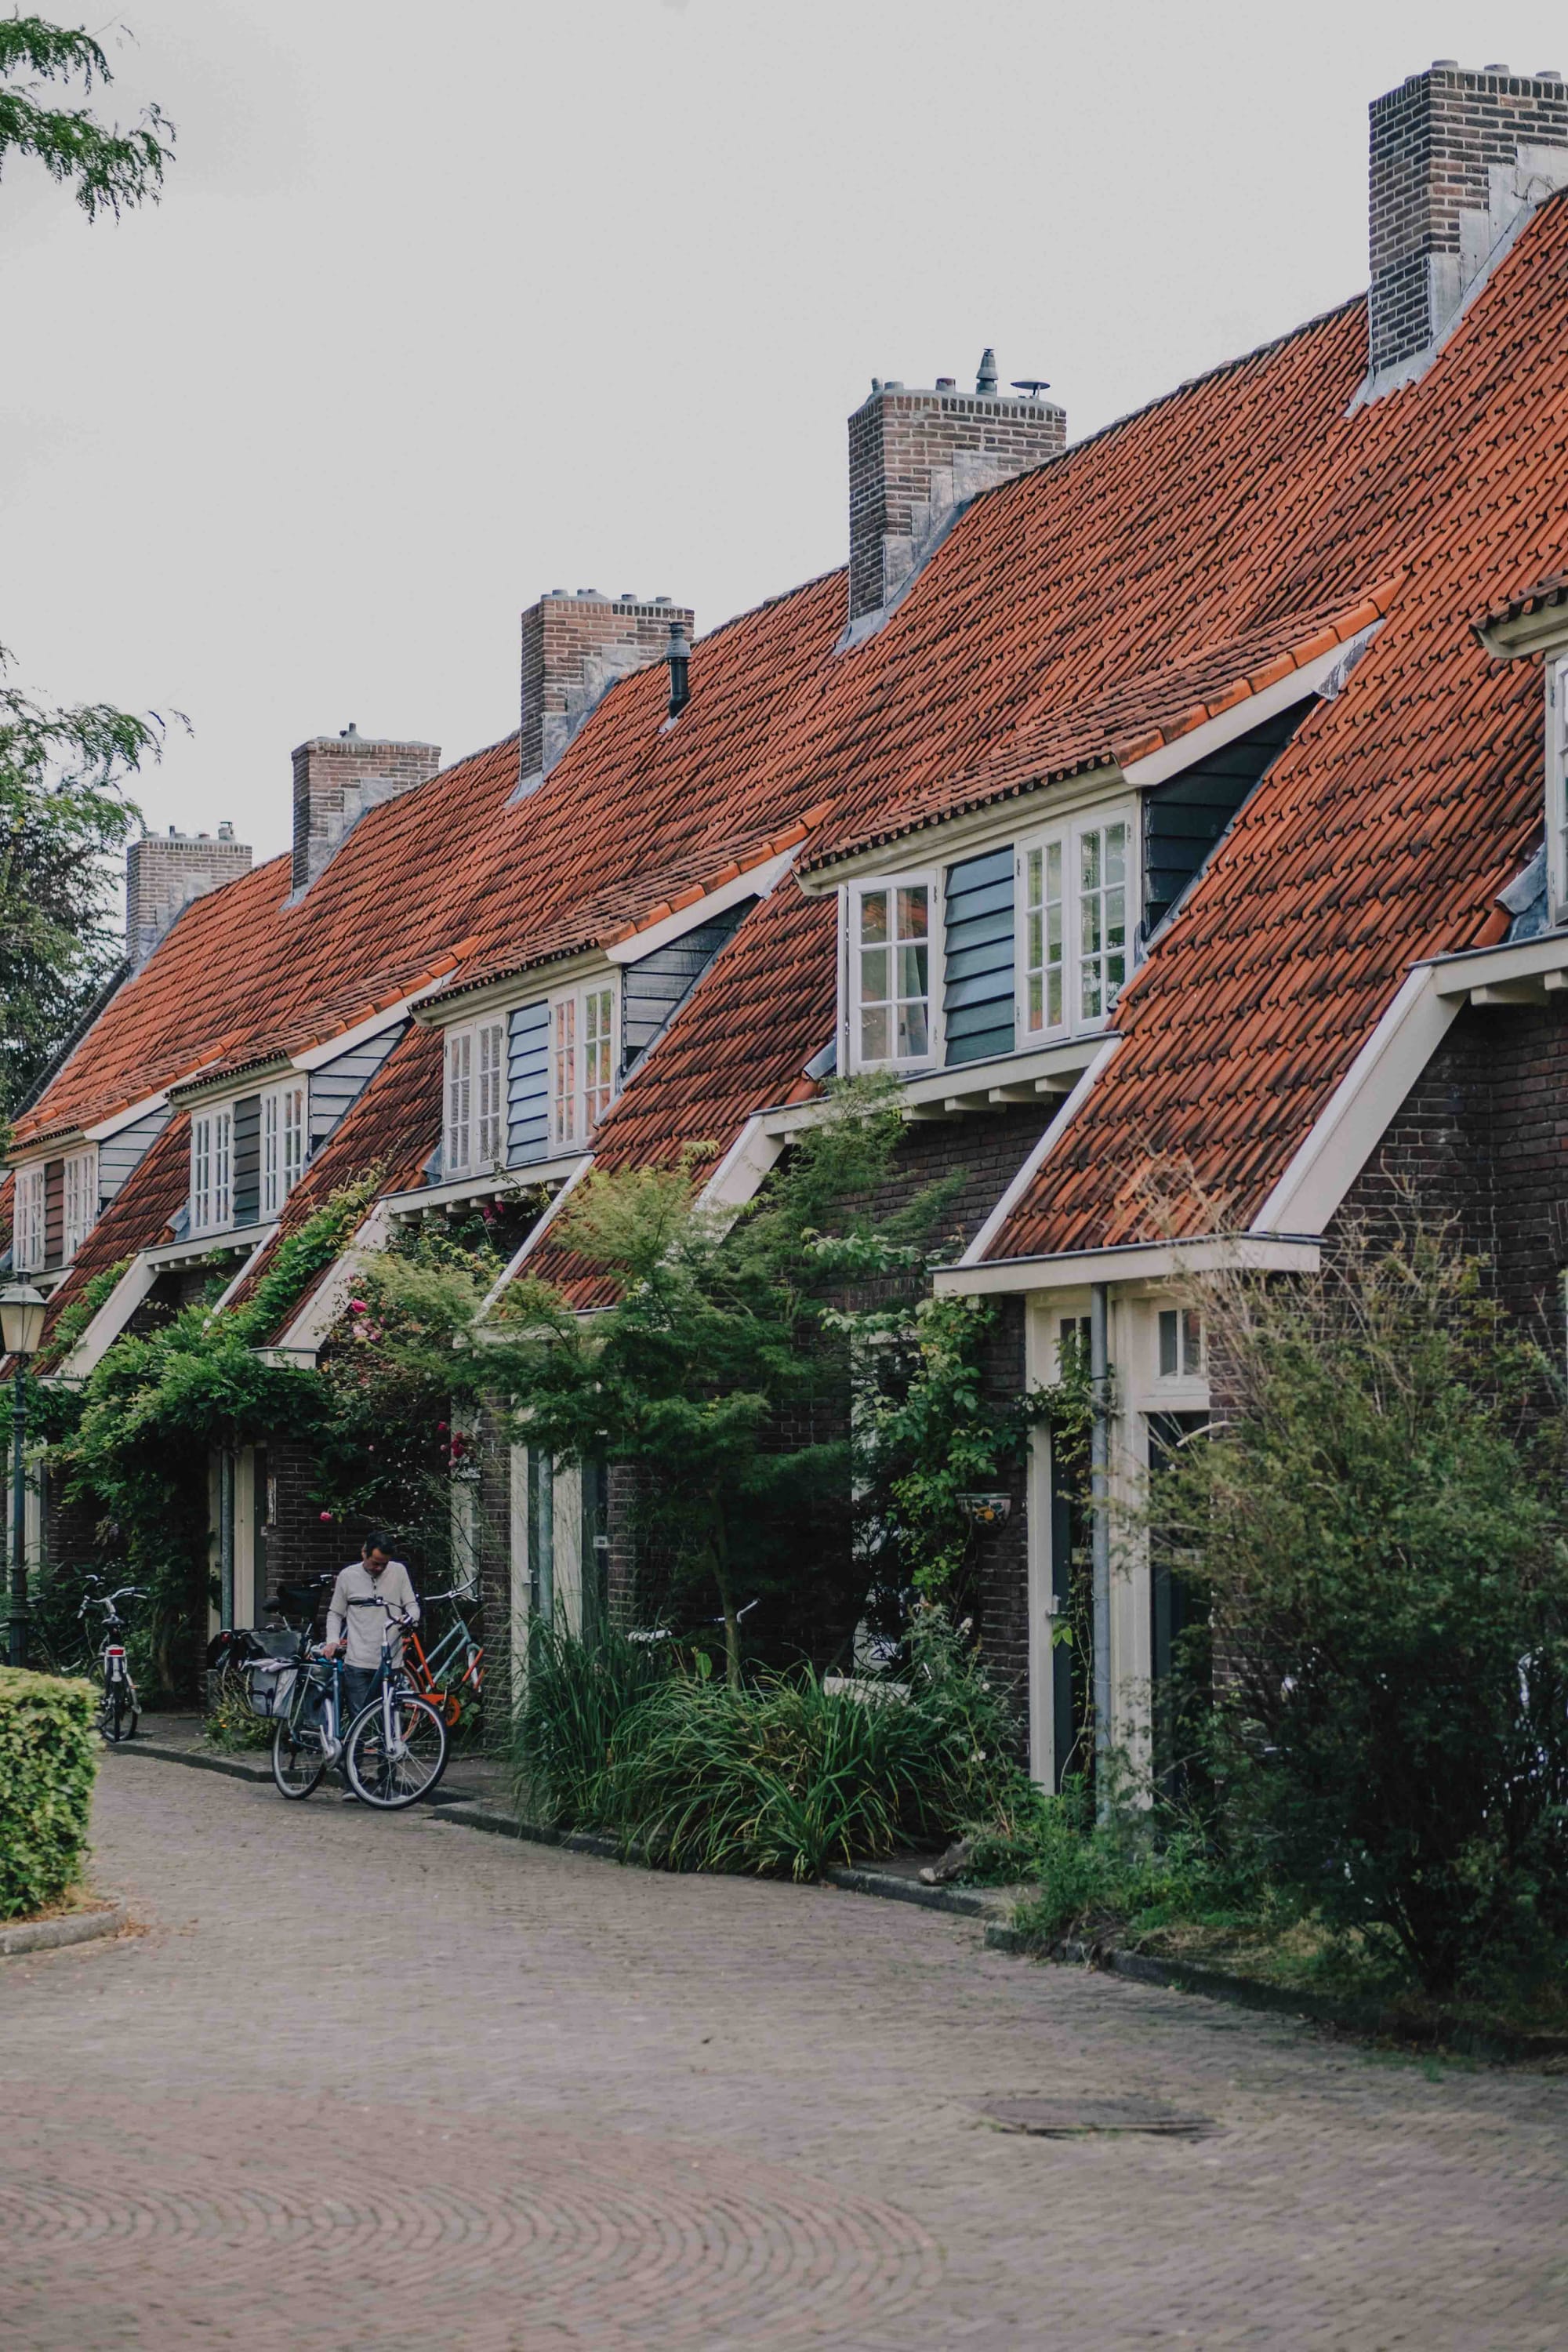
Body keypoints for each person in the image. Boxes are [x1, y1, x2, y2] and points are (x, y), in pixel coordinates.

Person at [324, 1532, 420, 1724]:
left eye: (384, 1564)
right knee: (360, 1721)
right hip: (358, 1661)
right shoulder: (348, 1576)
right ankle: (355, 1754)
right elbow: (335, 1613)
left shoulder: (398, 1572)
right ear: (364, 1553)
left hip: (390, 1661)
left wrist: (410, 1619)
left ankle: (385, 1755)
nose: (380, 1568)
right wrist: (332, 1641)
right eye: (375, 1562)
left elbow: (412, 1605)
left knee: (389, 1721)